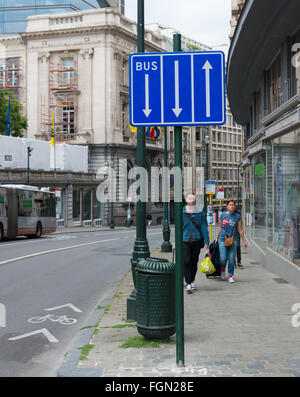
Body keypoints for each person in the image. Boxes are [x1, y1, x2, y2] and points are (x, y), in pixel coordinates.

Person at [183, 193, 209, 294]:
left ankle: (192, 281)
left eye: (193, 199)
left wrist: (207, 241)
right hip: (184, 240)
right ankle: (188, 282)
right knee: (186, 261)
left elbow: (203, 227)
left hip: (197, 240)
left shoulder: (200, 213)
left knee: (194, 262)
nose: (191, 200)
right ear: (186, 200)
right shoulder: (182, 212)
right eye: (189, 198)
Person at [216, 200, 247, 283]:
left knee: (232, 259)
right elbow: (220, 227)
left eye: (233, 205)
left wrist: (244, 241)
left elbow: (240, 230)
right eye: (230, 205)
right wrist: (217, 237)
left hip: (234, 240)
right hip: (222, 239)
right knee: (223, 258)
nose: (232, 207)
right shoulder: (222, 215)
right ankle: (222, 270)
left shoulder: (237, 217)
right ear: (227, 206)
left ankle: (230, 275)